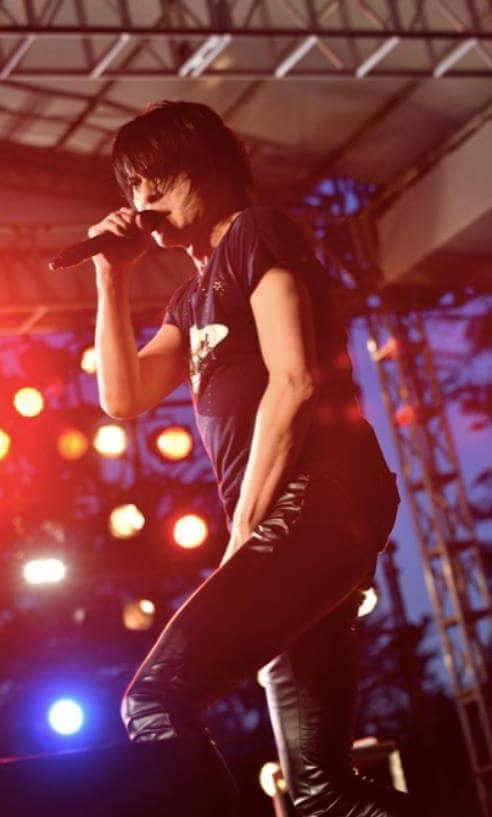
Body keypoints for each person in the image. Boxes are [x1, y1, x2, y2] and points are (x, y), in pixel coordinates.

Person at [89, 100, 412, 817]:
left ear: (209, 169)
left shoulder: (256, 233)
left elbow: (296, 382)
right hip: (290, 515)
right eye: (133, 184)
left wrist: (245, 536)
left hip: (316, 497)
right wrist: (111, 278)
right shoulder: (190, 300)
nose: (143, 199)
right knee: (324, 792)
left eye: (158, 179)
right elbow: (122, 396)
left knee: (155, 699)